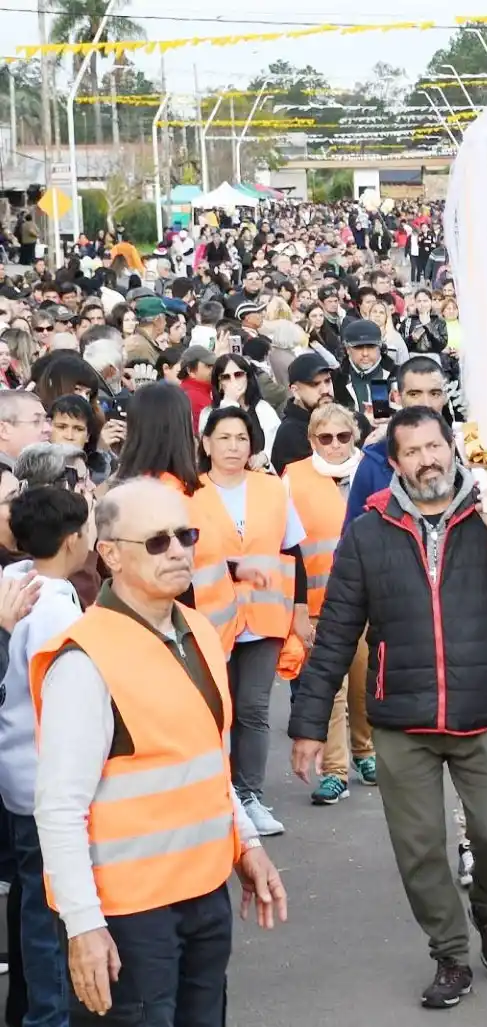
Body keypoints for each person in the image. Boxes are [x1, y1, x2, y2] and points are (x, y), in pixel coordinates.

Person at [289, 406, 487, 1009]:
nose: (427, 460)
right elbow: (335, 633)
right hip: (400, 720)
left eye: (435, 447)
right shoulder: (370, 528)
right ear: (395, 463)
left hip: (482, 710)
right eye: (413, 452)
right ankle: (450, 955)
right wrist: (307, 724)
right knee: (420, 850)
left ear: (451, 448)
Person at [31, 478, 286, 1024]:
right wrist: (84, 926)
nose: (177, 551)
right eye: (157, 542)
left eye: (185, 535)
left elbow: (212, 763)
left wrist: (246, 845)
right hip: (127, 916)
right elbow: (58, 809)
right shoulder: (84, 660)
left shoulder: (195, 630)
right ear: (110, 555)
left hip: (203, 895)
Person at [187, 407, 312, 837]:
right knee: (218, 709)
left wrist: (299, 609)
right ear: (205, 444)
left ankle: (250, 795)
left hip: (264, 615)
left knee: (255, 708)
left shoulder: (272, 488)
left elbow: (292, 550)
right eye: (223, 438)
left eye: (241, 438)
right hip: (210, 619)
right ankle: (219, 796)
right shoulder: (191, 494)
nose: (233, 447)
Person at [0, 487, 90, 1027]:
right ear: (75, 539)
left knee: (31, 898)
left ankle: (27, 1008)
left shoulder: (11, 584)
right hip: (42, 776)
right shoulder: (54, 608)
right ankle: (47, 1015)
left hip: (13, 772)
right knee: (48, 908)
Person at [281, 404, 377, 805]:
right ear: (311, 440)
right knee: (332, 690)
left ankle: (365, 752)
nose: (335, 445)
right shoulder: (294, 478)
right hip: (322, 604)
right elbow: (287, 548)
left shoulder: (371, 471)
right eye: (325, 438)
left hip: (370, 601)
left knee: (363, 682)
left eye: (343, 437)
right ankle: (335, 770)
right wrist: (298, 608)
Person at [198, 353, 282, 468]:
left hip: (259, 476)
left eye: (238, 375)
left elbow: (276, 442)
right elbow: (208, 450)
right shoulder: (208, 413)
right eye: (226, 377)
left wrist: (265, 457)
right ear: (219, 383)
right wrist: (230, 402)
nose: (233, 381)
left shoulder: (262, 409)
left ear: (247, 377)